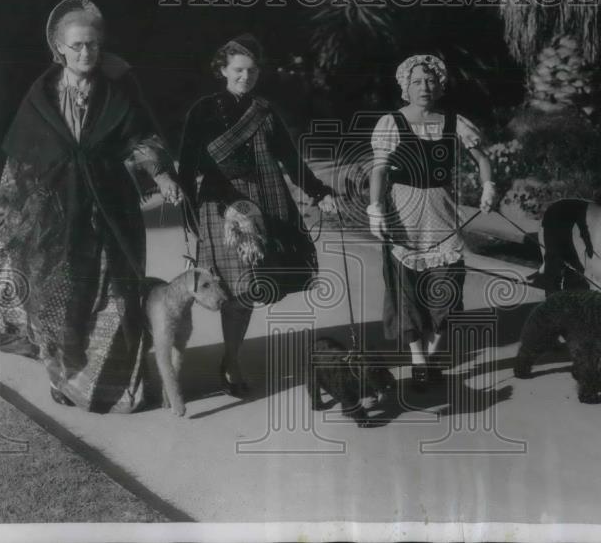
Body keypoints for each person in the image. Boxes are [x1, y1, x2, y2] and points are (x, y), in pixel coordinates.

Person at [0, 0, 183, 412]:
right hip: (55, 220)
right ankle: (62, 378)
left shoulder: (118, 94)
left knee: (116, 298)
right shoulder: (41, 98)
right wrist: (16, 215)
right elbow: (21, 161)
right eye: (77, 46)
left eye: (93, 45)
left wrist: (162, 174)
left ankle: (107, 384)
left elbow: (141, 137)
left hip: (109, 213)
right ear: (59, 50)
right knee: (57, 302)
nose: (86, 52)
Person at [178, 33, 337, 397]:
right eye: (238, 70)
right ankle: (233, 361)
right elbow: (189, 168)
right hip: (221, 206)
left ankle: (230, 357)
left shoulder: (264, 111)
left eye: (251, 71)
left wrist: (319, 191)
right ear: (222, 70)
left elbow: (289, 159)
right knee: (239, 287)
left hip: (266, 202)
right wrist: (195, 214)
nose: (245, 77)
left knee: (251, 287)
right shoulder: (203, 111)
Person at [368, 54, 497, 389]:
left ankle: (435, 352)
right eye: (416, 82)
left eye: (430, 81)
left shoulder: (454, 121)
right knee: (405, 290)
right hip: (403, 215)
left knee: (447, 289)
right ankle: (419, 361)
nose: (424, 87)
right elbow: (379, 169)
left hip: (442, 213)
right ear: (405, 88)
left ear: (440, 85)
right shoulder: (391, 122)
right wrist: (374, 208)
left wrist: (488, 187)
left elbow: (482, 158)